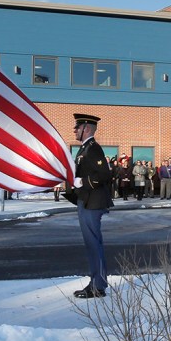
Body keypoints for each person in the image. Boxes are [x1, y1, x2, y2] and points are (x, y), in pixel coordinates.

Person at [64, 114, 113, 299]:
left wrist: (82, 181)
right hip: (87, 201)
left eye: (78, 127)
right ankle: (96, 282)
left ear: (87, 129)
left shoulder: (93, 149)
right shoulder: (84, 148)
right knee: (93, 244)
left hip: (93, 202)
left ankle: (98, 286)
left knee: (93, 244)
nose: (75, 130)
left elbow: (104, 175)